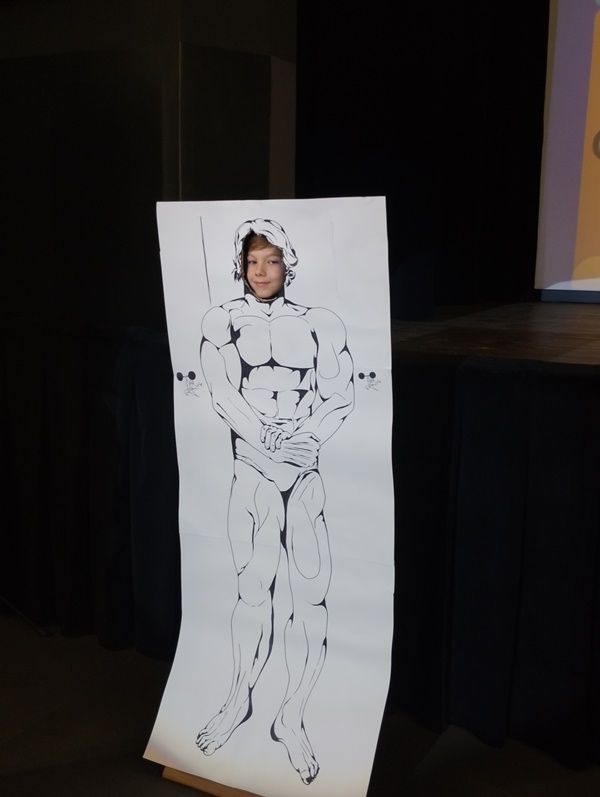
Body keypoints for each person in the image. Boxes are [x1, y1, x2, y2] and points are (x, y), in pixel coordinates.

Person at [196, 219, 354, 785]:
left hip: (303, 471)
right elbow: (221, 392)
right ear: (240, 266)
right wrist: (264, 434)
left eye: (271, 260)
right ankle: (237, 700)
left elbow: (340, 392)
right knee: (252, 591)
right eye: (252, 261)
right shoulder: (222, 319)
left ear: (289, 264)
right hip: (254, 469)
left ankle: (291, 716)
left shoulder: (320, 322)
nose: (261, 272)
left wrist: (309, 433)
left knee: (310, 598)